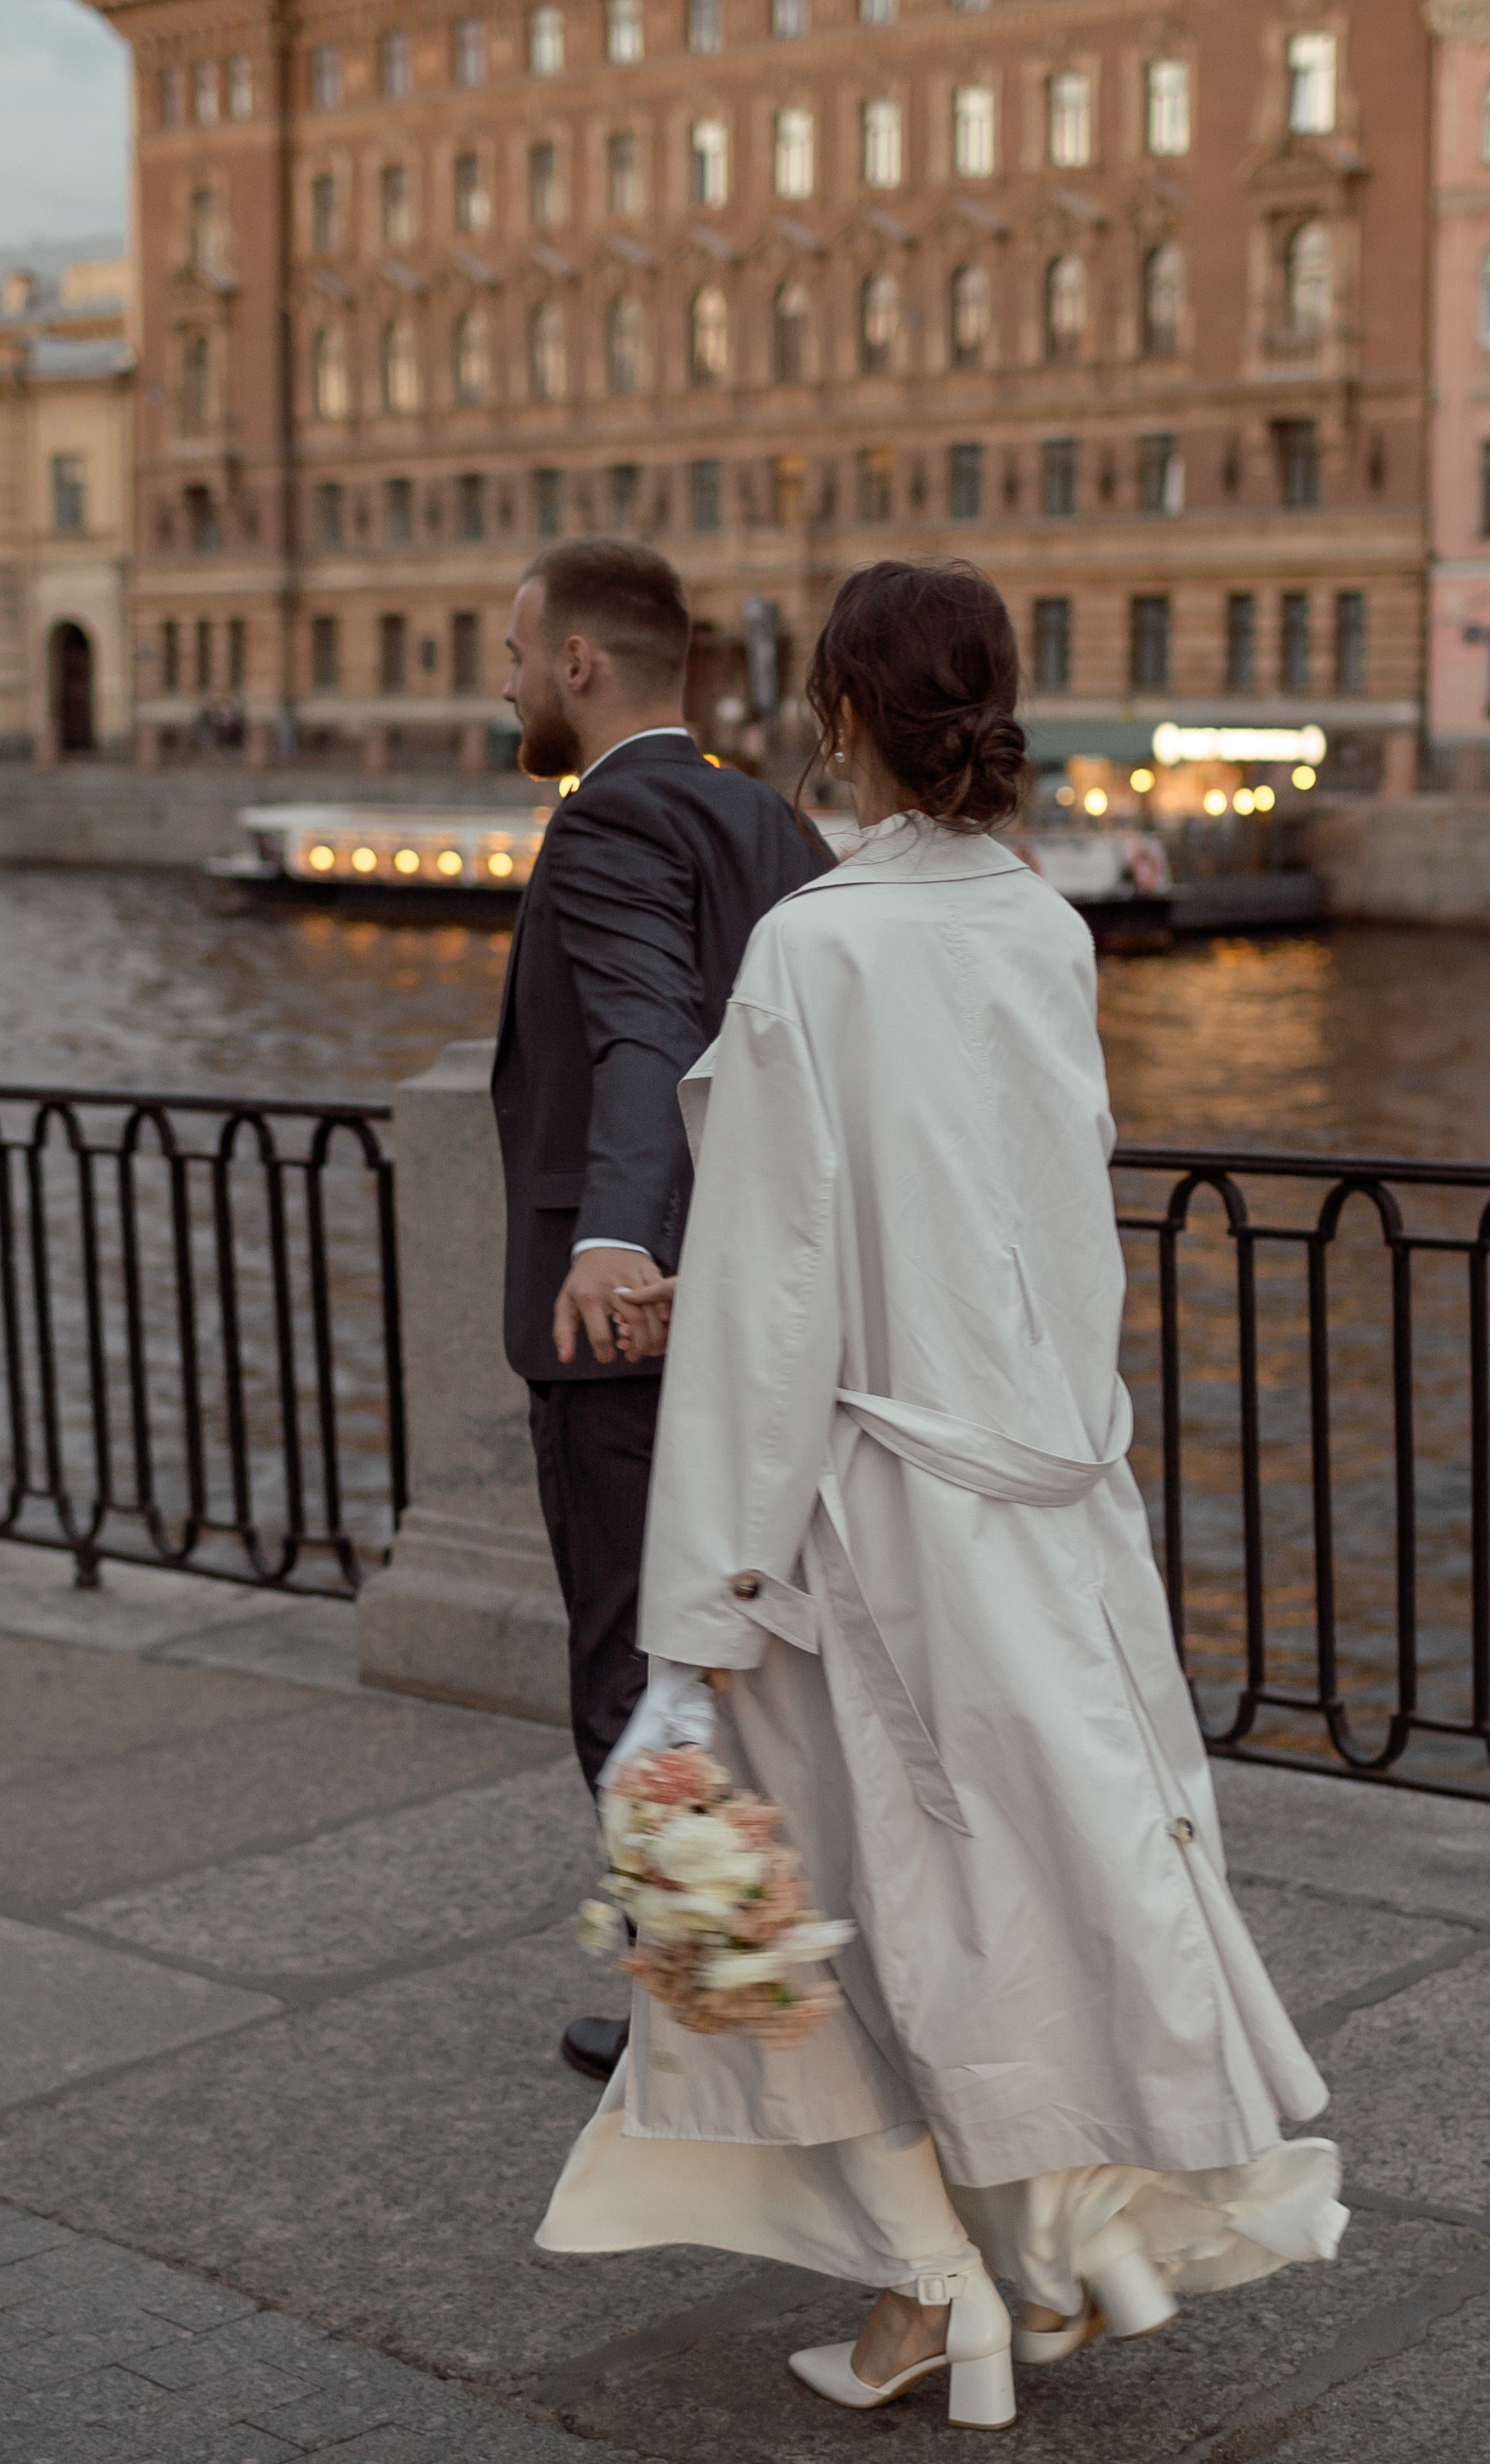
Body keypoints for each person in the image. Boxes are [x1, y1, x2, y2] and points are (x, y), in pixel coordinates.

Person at [536, 562, 1346, 2424]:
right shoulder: (1040, 927)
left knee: (827, 1923)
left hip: (868, 1512)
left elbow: (773, 1299)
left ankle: (930, 2293)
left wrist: (701, 1604)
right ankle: (1050, 2262)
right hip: (1043, 1496)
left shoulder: (819, 947)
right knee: (1037, 1901)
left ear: (834, 714)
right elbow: (1041, 1235)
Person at [493, 537, 831, 2083]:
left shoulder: (609, 818)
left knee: (631, 1667)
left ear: (577, 662)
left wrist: (613, 1239)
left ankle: (695, 2016)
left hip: (627, 1327)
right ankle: (739, 1972)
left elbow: (644, 1037)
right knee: (730, 1660)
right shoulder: (765, 817)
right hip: (753, 1313)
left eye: (512, 653)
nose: (502, 681)